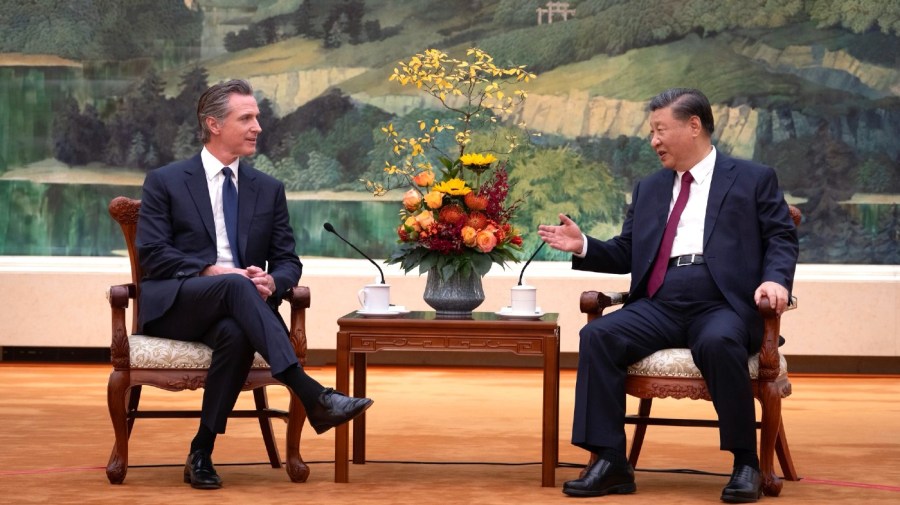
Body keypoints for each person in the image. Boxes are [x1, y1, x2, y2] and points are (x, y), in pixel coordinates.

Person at [538, 88, 798, 503]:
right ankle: (610, 462)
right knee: (598, 336)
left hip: (723, 303)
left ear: (694, 126)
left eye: (661, 130)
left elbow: (781, 237)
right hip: (660, 302)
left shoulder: (752, 178)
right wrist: (583, 244)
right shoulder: (650, 188)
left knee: (718, 341)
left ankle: (745, 462)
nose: (653, 140)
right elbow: (628, 251)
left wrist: (776, 280)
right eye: (652, 132)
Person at [136, 79, 373, 490]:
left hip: (238, 309)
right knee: (233, 286)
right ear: (213, 124)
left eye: (256, 117)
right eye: (246, 118)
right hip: (179, 304)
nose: (257, 126)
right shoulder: (166, 181)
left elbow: (287, 261)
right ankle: (310, 392)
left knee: (236, 330)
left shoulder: (268, 189)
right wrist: (214, 271)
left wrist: (271, 280)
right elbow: (153, 254)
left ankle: (201, 452)